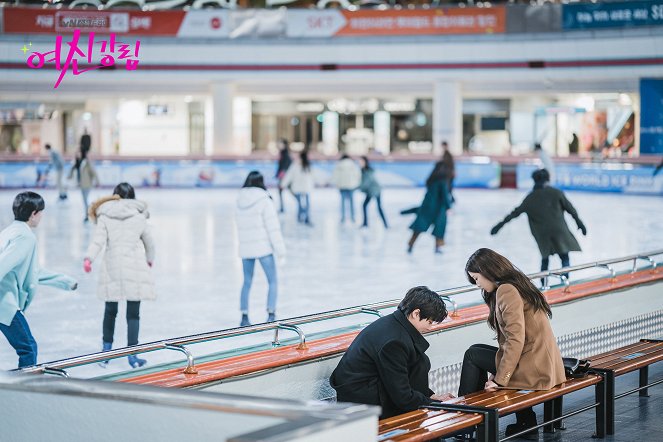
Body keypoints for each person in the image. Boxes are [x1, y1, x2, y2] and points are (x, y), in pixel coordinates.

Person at [459, 248, 566, 440]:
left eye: (476, 278)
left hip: (533, 366)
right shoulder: (518, 283)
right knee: (475, 351)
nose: (477, 285)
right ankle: (526, 422)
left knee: (473, 355)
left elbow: (516, 340)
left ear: (487, 271)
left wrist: (500, 380)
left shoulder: (506, 290)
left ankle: (465, 423)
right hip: (542, 363)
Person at [329, 286, 452, 419]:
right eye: (429, 321)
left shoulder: (394, 324)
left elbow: (400, 378)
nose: (430, 327)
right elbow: (402, 396)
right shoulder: (394, 342)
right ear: (416, 314)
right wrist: (435, 403)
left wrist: (430, 396)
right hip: (363, 402)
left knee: (420, 362)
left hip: (367, 389)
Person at [0, 192, 78, 368]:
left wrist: (65, 281)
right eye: (41, 212)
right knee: (28, 348)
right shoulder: (25, 237)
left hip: (5, 300)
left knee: (27, 346)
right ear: (34, 213)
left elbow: (33, 272)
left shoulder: (10, 231)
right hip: (5, 303)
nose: (42, 216)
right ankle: (25, 390)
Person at [84, 183, 155, 368]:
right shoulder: (139, 216)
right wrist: (150, 259)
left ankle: (106, 352)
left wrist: (88, 259)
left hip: (112, 266)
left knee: (110, 311)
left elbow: (97, 241)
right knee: (133, 314)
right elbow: (150, 242)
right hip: (135, 266)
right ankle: (132, 355)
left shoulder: (105, 215)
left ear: (114, 196)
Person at [490, 169, 586, 279]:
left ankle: (543, 283)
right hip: (559, 230)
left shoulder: (530, 198)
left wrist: (499, 226)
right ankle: (565, 280)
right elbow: (571, 210)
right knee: (564, 257)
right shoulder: (556, 193)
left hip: (543, 234)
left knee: (545, 258)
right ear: (548, 179)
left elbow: (514, 213)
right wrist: (580, 224)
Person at [235, 171, 286, 326]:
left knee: (247, 282)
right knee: (272, 281)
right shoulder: (265, 200)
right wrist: (281, 250)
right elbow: (273, 228)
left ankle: (244, 316)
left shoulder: (239, 200)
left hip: (246, 248)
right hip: (263, 248)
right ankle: (271, 314)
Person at [407, 162, 452, 254]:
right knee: (439, 227)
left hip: (427, 206)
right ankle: (438, 247)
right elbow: (444, 195)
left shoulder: (431, 179)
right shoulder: (443, 180)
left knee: (419, 227)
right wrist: (448, 206)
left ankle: (411, 244)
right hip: (438, 208)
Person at [280, 150, 314, 226]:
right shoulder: (307, 165)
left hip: (298, 188)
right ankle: (306, 217)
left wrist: (283, 184)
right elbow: (313, 176)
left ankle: (300, 217)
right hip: (306, 188)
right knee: (307, 204)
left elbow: (289, 175)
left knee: (300, 204)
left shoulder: (296, 164)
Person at [68, 147, 98, 222]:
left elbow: (93, 172)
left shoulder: (86, 162)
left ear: (82, 153)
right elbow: (72, 170)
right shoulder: (77, 162)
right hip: (81, 184)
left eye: (79, 152)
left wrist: (97, 181)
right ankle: (89, 214)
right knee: (85, 200)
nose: (77, 154)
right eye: (77, 152)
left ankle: (88, 214)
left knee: (85, 200)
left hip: (87, 184)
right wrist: (70, 176)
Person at [332, 154, 362, 224]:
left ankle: (343, 218)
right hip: (351, 186)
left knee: (342, 203)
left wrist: (337, 184)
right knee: (352, 202)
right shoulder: (353, 165)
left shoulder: (339, 165)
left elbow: (335, 176)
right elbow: (358, 175)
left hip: (342, 186)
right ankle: (352, 217)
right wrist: (356, 184)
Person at [359, 156, 388, 228]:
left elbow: (367, 182)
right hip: (371, 191)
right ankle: (365, 223)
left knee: (378, 207)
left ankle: (385, 224)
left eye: (361, 161)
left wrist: (359, 187)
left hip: (375, 190)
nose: (360, 163)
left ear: (365, 162)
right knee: (365, 205)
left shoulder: (368, 170)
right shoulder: (363, 170)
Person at [275, 139, 292, 213]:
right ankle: (282, 207)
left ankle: (301, 204)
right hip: (283, 176)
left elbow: (286, 164)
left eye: (280, 143)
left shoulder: (286, 154)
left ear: (284, 145)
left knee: (293, 191)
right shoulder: (282, 153)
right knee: (280, 191)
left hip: (284, 177)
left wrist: (282, 174)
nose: (278, 145)